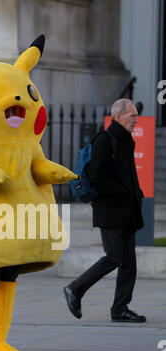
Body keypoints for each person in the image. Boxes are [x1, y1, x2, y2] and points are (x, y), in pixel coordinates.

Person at [64, 99, 146, 323]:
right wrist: (122, 192)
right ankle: (75, 289)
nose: (136, 120)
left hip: (127, 211)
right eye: (132, 116)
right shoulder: (104, 140)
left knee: (129, 263)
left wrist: (135, 195)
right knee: (113, 258)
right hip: (110, 211)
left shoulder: (127, 140)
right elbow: (98, 176)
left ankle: (120, 308)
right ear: (118, 117)